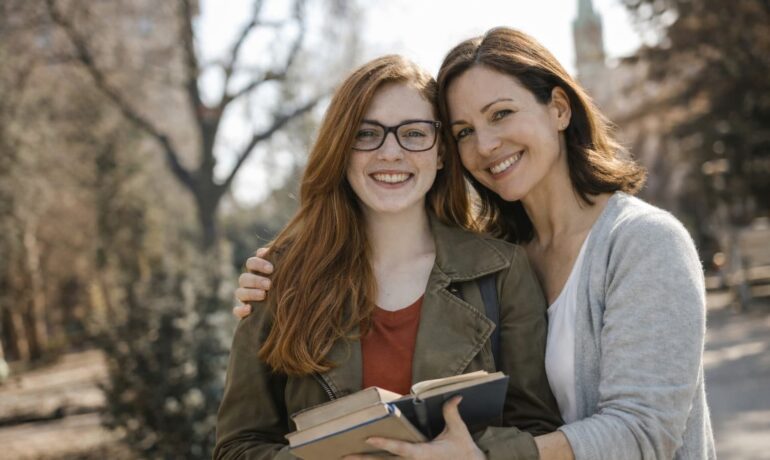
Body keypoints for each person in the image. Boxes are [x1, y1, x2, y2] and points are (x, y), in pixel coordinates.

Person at [235, 28, 716, 460]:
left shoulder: (641, 243)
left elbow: (643, 431)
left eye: (502, 114)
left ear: (560, 108)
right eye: (466, 130)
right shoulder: (508, 250)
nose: (485, 145)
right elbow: (240, 440)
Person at [214, 54, 562, 460]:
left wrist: (473, 455)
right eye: (367, 134)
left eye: (413, 134)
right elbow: (236, 446)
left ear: (441, 153)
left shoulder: (501, 271)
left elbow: (539, 431)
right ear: (342, 150)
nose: (391, 152)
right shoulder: (281, 276)